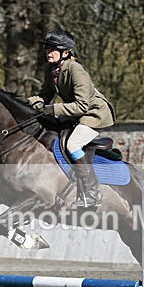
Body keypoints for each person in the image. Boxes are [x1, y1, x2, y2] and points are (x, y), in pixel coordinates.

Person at [28, 30, 116, 209]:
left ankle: (92, 192)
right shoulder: (50, 69)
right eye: (47, 48)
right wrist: (28, 103)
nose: (48, 52)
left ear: (66, 53)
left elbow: (82, 106)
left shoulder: (76, 70)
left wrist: (51, 109)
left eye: (53, 49)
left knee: (72, 145)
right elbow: (45, 95)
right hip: (76, 113)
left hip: (93, 114)